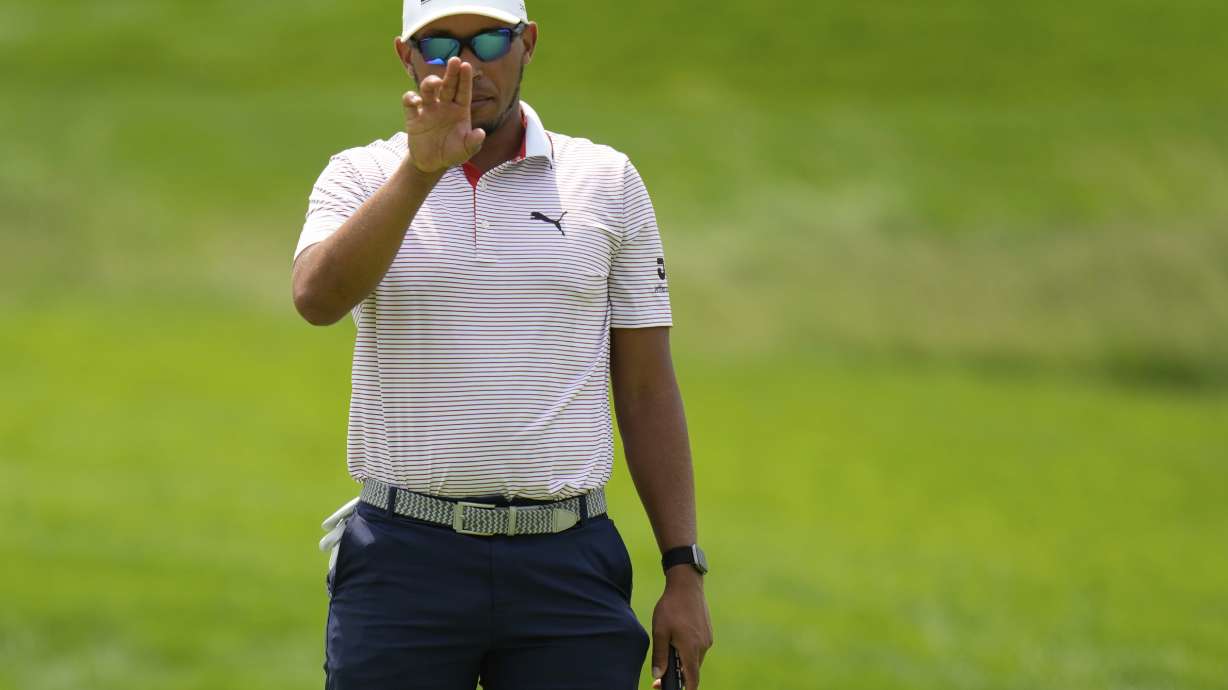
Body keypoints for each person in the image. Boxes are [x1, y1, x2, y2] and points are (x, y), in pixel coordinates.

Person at [290, 0, 713, 687]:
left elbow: (645, 387)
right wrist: (421, 171)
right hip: (404, 560)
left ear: (528, 44)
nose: (465, 64)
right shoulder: (361, 175)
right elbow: (316, 299)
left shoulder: (606, 181)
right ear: (405, 56)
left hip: (566, 565)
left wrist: (682, 568)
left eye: (490, 38)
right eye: (438, 46)